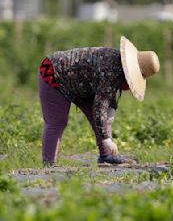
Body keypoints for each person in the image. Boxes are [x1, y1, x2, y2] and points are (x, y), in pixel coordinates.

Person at [38, 36, 160, 167]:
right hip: (55, 72)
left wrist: (111, 110)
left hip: (82, 82)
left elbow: (109, 94)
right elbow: (100, 105)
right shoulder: (111, 70)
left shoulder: (117, 66)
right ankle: (48, 163)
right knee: (58, 121)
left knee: (104, 117)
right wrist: (107, 139)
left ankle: (106, 156)